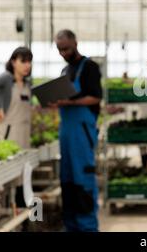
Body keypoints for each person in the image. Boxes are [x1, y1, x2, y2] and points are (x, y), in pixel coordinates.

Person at [52, 29, 102, 232]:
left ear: (75, 43)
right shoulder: (65, 72)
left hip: (82, 133)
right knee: (68, 182)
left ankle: (88, 227)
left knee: (83, 181)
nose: (63, 52)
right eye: (59, 49)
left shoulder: (89, 67)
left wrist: (68, 102)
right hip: (66, 134)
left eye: (66, 48)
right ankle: (70, 226)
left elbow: (96, 97)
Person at [0, 46, 33, 149]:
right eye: (23, 61)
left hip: (24, 132)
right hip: (7, 131)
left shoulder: (27, 83)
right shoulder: (7, 78)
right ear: (14, 62)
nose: (27, 65)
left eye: (29, 61)